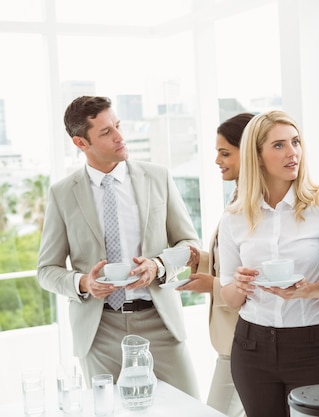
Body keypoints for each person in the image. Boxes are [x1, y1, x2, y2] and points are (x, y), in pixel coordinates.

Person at [37, 96, 200, 398]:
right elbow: (46, 270)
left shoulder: (158, 177)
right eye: (106, 132)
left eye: (118, 126)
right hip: (100, 330)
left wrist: (159, 265)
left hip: (159, 321)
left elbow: (190, 244)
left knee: (190, 407)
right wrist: (83, 282)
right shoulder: (62, 194)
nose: (120, 137)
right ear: (80, 142)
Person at [218, 110, 319, 417]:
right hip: (251, 346)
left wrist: (308, 290)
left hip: (312, 345)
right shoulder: (234, 218)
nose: (292, 152)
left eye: (295, 142)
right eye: (279, 145)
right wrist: (238, 285)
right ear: (257, 156)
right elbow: (228, 295)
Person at [179, 113, 254, 417]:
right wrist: (203, 260)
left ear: (248, 152)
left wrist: (211, 284)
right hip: (233, 339)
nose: (217, 161)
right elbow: (233, 260)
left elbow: (253, 276)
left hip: (244, 337)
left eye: (225, 153)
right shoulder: (240, 195)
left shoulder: (254, 204)